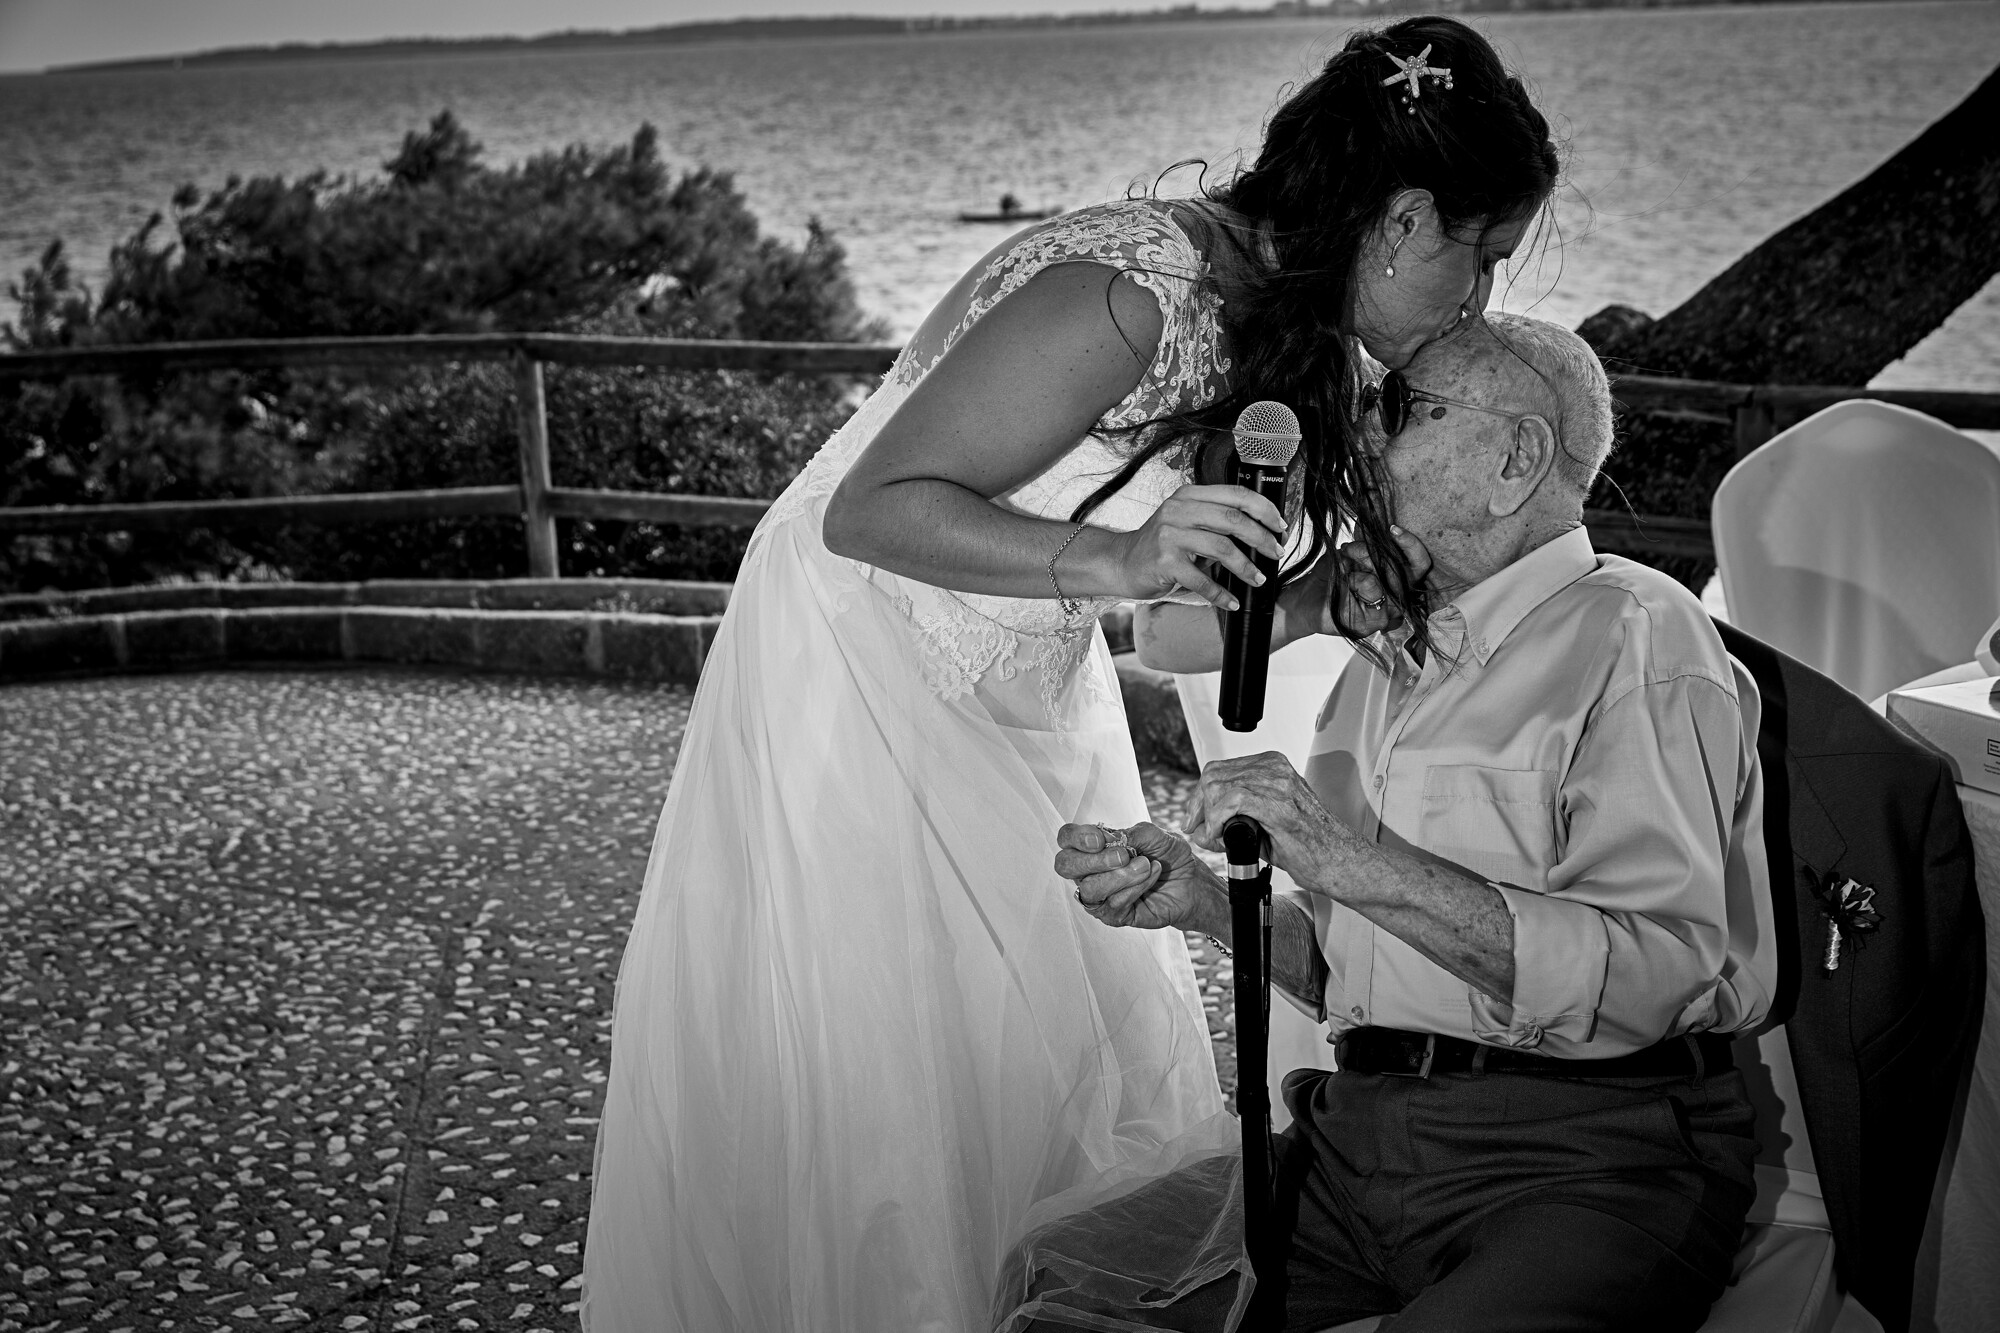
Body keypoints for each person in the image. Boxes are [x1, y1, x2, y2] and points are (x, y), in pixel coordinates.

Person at [582, 18, 1559, 1332]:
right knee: (895, 1075)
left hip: (1027, 660)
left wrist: (1321, 592)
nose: (1480, 299)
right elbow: (869, 509)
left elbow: (1170, 629)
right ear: (1400, 219)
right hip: (862, 651)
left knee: (1039, 1038)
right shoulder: (1132, 296)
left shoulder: (1286, 327)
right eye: (1480, 256)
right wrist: (1123, 555)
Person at [1014, 314, 1777, 1333]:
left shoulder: (1634, 639)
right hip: (1356, 1143)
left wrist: (1338, 856)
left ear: (1515, 456)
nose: (1360, 443)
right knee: (1056, 1278)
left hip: (1591, 1156)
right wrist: (1198, 899)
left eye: (1398, 412)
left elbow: (1649, 977)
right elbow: (1360, 972)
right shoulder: (1384, 654)